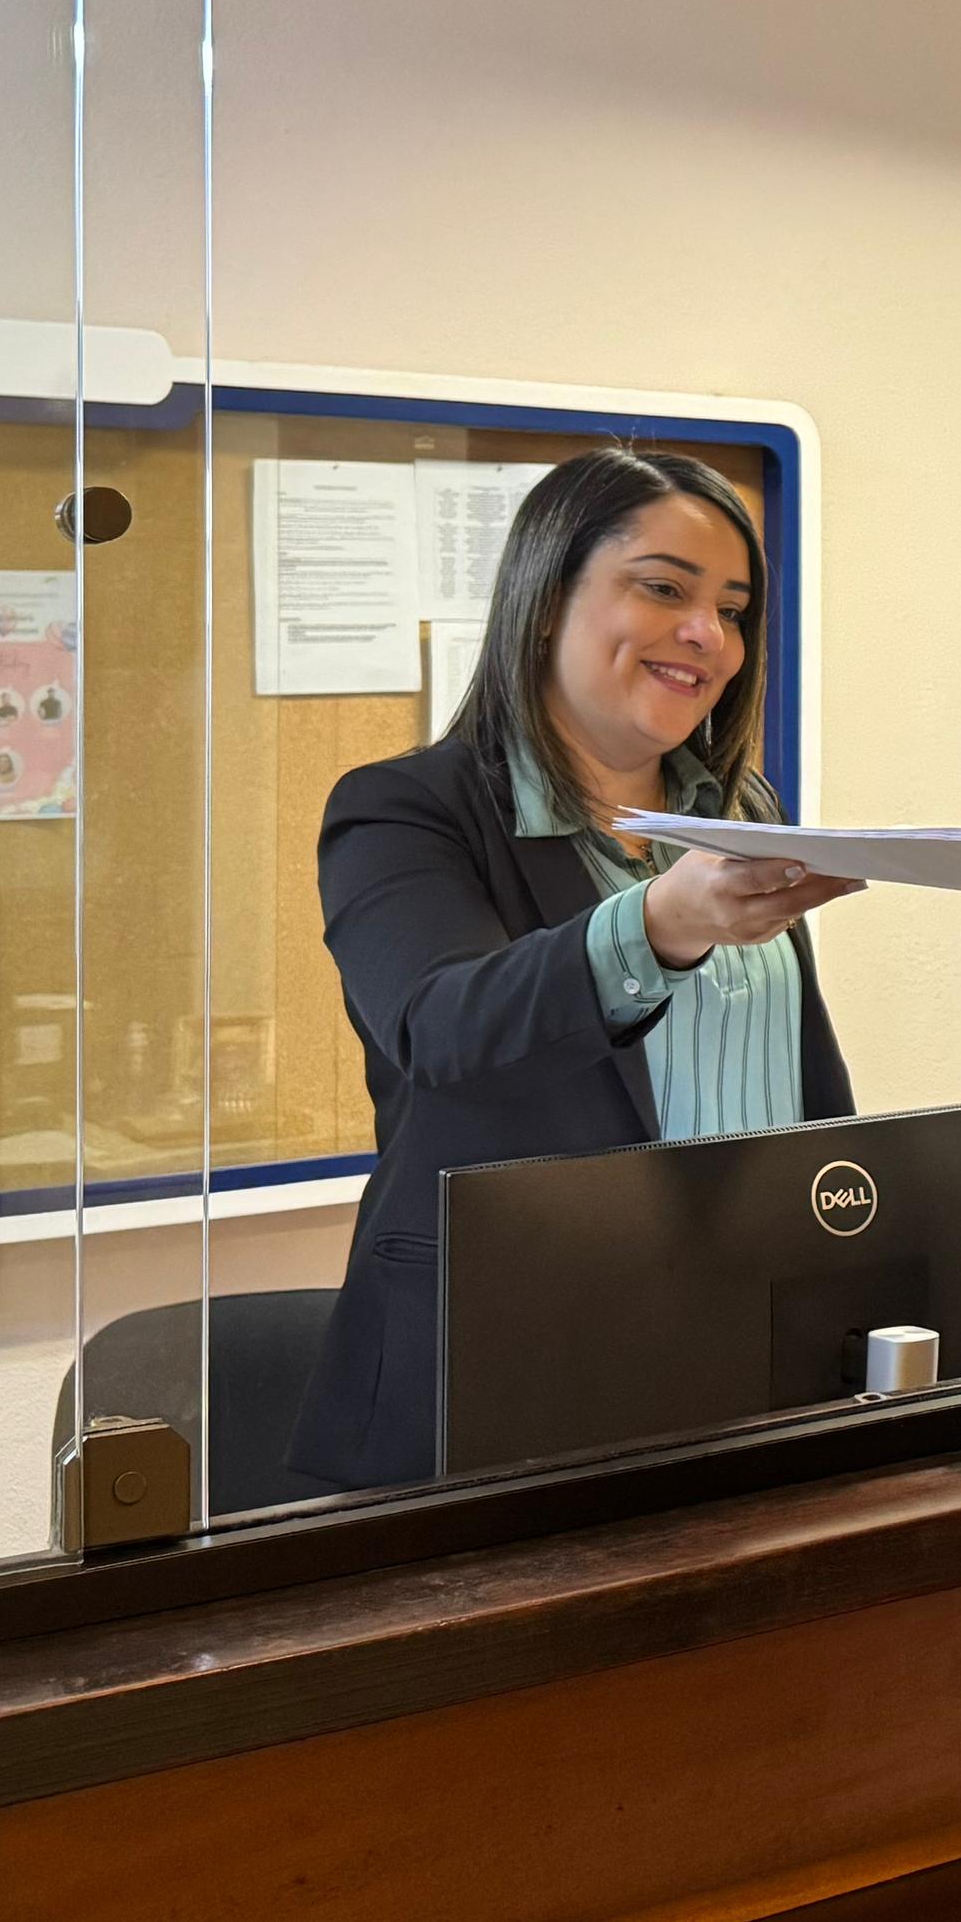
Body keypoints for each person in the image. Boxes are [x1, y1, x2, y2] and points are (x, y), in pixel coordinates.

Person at [289, 445, 858, 1490]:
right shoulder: (403, 809)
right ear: (546, 601)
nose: (708, 635)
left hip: (748, 1349)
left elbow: (799, 1082)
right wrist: (656, 926)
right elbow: (443, 1029)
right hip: (508, 1373)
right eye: (665, 590)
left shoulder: (742, 816)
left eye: (733, 610)